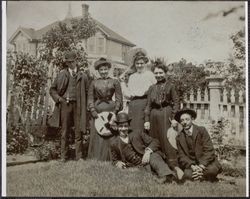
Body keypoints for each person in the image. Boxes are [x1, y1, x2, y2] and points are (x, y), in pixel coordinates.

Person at [110, 112, 176, 184]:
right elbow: (114, 160)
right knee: (147, 175)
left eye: (125, 126)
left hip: (148, 159)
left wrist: (148, 152)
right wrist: (117, 163)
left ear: (128, 126)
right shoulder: (114, 143)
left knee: (154, 156)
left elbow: (155, 141)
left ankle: (168, 177)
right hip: (136, 166)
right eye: (121, 126)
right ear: (117, 127)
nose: (123, 129)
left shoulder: (137, 133)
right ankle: (159, 178)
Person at [144, 61, 183, 179]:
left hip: (166, 114)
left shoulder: (171, 86)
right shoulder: (151, 88)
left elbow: (176, 102)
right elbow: (148, 105)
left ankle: (173, 166)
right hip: (154, 115)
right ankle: (157, 165)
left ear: (165, 73)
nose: (158, 75)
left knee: (167, 139)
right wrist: (146, 120)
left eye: (161, 72)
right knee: (155, 139)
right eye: (156, 73)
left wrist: (175, 118)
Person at [49, 51, 89, 162]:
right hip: (65, 105)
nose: (71, 64)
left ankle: (79, 156)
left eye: (72, 62)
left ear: (76, 61)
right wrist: (59, 99)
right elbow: (52, 89)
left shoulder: (83, 76)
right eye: (68, 62)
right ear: (66, 63)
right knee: (64, 131)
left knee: (78, 131)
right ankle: (63, 156)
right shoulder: (62, 74)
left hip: (78, 106)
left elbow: (87, 92)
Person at [87, 57, 123, 161]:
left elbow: (119, 98)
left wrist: (115, 112)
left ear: (109, 69)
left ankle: (111, 157)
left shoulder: (115, 82)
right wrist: (92, 110)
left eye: (105, 69)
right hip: (98, 111)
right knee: (98, 132)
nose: (103, 72)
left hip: (111, 110)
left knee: (110, 131)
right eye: (101, 70)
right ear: (98, 71)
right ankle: (96, 156)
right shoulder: (94, 82)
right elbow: (90, 98)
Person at [175, 108, 222, 182]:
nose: (184, 122)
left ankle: (201, 176)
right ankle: (204, 177)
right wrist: (192, 166)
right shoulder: (179, 137)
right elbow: (181, 156)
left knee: (211, 170)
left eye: (187, 119)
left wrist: (201, 166)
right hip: (192, 165)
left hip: (206, 163)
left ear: (192, 119)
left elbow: (209, 150)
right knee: (187, 175)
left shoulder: (201, 130)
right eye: (182, 120)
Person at [127, 49, 156, 132]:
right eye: (137, 63)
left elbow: (155, 90)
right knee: (133, 127)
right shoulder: (132, 77)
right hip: (133, 105)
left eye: (141, 63)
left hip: (145, 103)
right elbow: (129, 93)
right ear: (135, 64)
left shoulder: (150, 75)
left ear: (145, 63)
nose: (139, 65)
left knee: (143, 128)